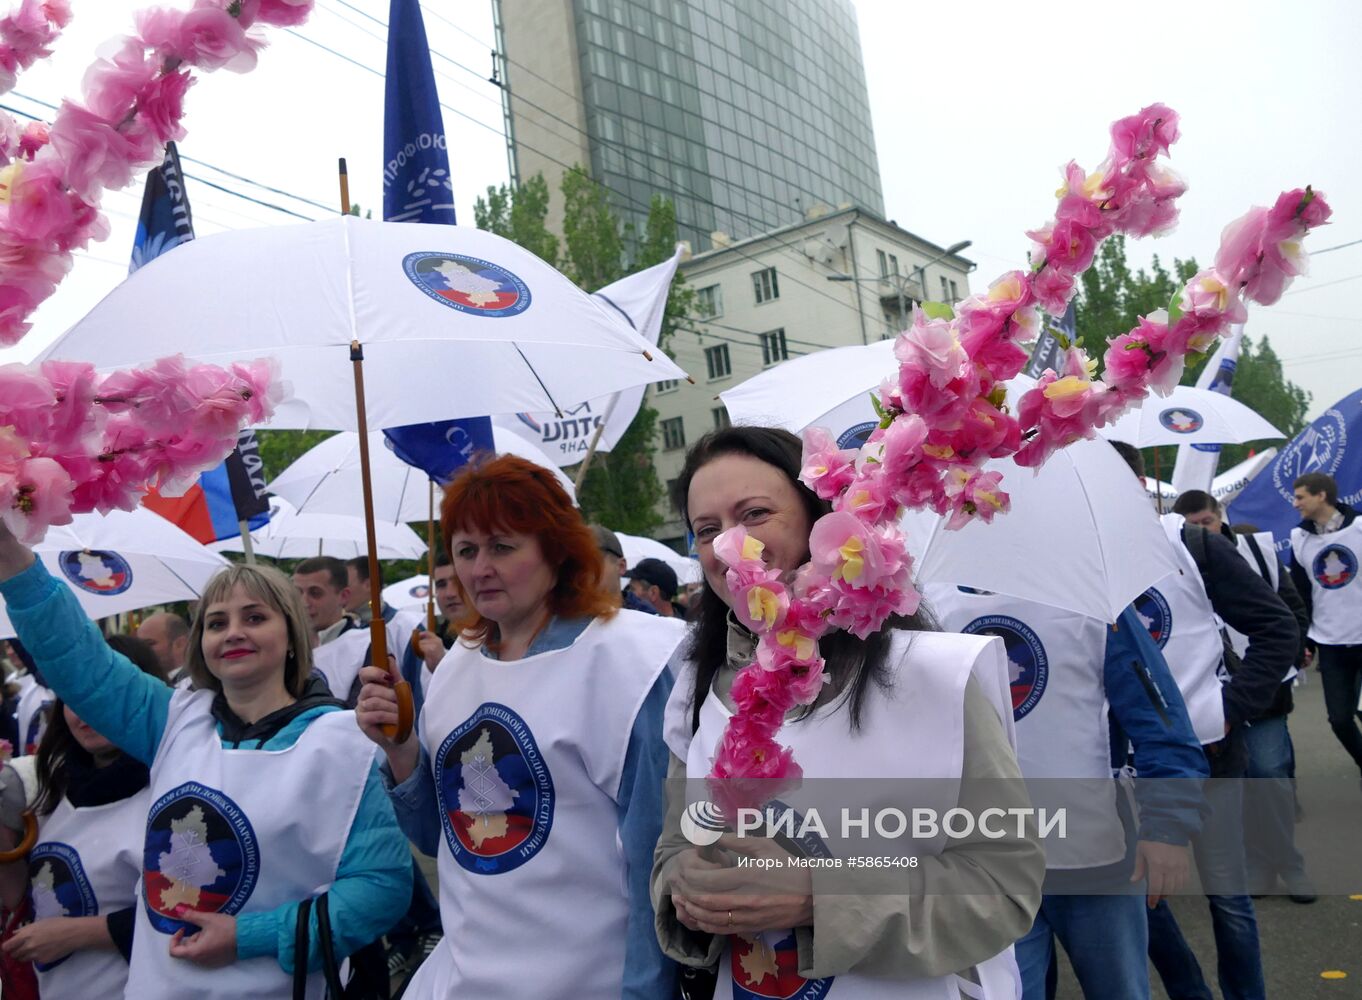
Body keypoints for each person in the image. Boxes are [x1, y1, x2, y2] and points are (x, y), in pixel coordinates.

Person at [652, 427, 1044, 997]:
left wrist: (819, 895)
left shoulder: (934, 677)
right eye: (707, 529)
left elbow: (1003, 885)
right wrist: (683, 885)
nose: (727, 545)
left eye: (755, 514)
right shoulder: (697, 687)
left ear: (820, 520)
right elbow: (672, 847)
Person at [0, 524, 412, 999]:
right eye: (216, 623)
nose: (233, 632)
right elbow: (79, 659)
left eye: (255, 617)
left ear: (292, 636)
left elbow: (382, 887)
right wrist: (11, 555)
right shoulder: (173, 720)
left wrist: (248, 937)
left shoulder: (341, 741)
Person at [357, 454, 686, 999]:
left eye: (502, 547)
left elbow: (656, 859)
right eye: (466, 550)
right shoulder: (457, 664)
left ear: (555, 550)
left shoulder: (628, 662)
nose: (479, 568)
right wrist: (401, 748)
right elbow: (442, 840)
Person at [929, 584, 1207, 1000]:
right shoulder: (930, 603)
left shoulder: (1090, 599)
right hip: (988, 864)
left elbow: (1160, 719)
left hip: (1094, 858)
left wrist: (1167, 826)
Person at [1114, 442, 1299, 1000]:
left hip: (1210, 754)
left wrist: (1230, 708)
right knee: (1143, 897)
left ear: (1136, 485)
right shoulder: (1069, 563)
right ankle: (1190, 990)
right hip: (1124, 769)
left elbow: (1278, 628)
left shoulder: (1191, 543)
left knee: (1229, 899)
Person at [0, 636, 166, 997]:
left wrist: (84, 934)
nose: (84, 712)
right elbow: (26, 900)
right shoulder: (50, 788)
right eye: (73, 697)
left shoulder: (172, 790)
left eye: (102, 695)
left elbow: (201, 917)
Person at [1173, 489, 1316, 902]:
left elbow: (1291, 612)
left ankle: (1290, 864)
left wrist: (1293, 654)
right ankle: (1256, 863)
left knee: (1269, 774)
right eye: (1194, 526)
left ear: (1220, 516)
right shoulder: (1178, 558)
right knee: (1237, 785)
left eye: (1207, 522)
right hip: (1211, 696)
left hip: (1261, 689)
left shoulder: (1257, 550)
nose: (1203, 530)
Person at [1287, 472, 1362, 783]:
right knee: (1339, 719)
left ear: (1321, 496)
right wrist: (1305, 642)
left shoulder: (1359, 527)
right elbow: (1301, 595)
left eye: (1300, 497)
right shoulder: (1299, 539)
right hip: (1331, 643)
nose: (1295, 503)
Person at [591, 523, 656, 614]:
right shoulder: (572, 618)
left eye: (594, 563)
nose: (584, 573)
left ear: (621, 566)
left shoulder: (647, 618)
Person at [291, 555, 355, 644]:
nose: (304, 603)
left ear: (343, 596)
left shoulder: (363, 646)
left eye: (315, 593)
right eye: (297, 593)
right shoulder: (285, 643)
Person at [138, 612, 192, 686]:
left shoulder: (194, 685)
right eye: (139, 644)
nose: (142, 650)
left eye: (149, 643)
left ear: (180, 644)